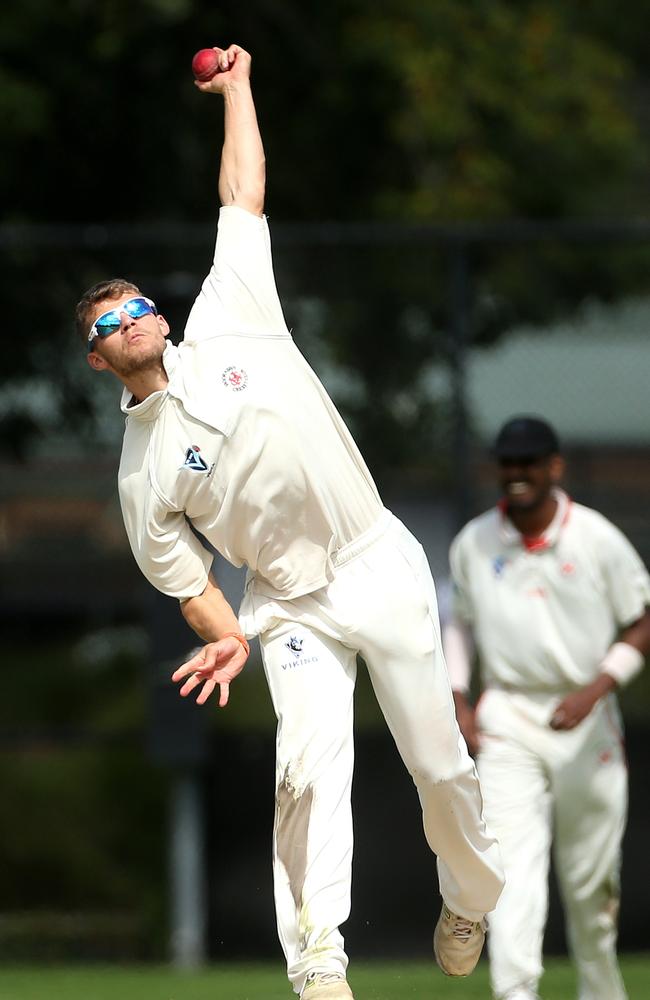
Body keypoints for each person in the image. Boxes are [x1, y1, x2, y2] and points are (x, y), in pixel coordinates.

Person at [76, 44, 503, 999]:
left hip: (374, 562)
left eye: (138, 305)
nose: (132, 320)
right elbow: (187, 584)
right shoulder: (142, 475)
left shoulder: (232, 311)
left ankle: (470, 894)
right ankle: (318, 963)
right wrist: (228, 640)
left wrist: (240, 90)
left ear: (163, 317)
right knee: (305, 775)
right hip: (287, 604)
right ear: (99, 362)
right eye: (109, 324)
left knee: (440, 768)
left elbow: (241, 192)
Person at [443, 415, 650, 1000]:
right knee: (509, 869)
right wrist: (459, 697)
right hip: (507, 716)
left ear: (554, 468)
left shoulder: (595, 538)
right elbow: (458, 621)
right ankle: (516, 993)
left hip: (587, 718)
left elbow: (642, 620)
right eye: (508, 464)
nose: (517, 475)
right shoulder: (474, 543)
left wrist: (596, 689)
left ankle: (601, 992)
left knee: (591, 890)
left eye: (529, 463)